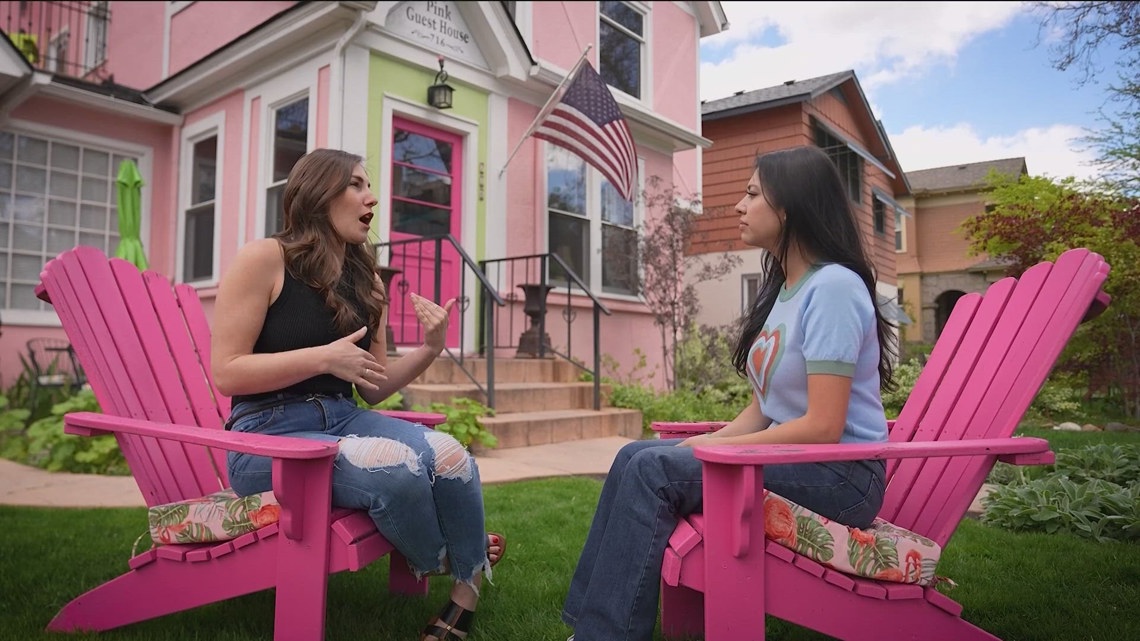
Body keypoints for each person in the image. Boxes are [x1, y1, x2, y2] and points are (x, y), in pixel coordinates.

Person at [561, 145, 898, 641]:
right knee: (634, 454)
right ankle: (586, 626)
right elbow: (764, 410)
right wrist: (711, 440)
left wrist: (718, 450)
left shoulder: (833, 288)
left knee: (654, 472)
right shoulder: (789, 290)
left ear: (790, 206)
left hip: (842, 475)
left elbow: (824, 425)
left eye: (752, 193)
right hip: (803, 461)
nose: (739, 205)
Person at [211, 148, 504, 641]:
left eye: (368, 186)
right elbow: (227, 373)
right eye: (356, 184)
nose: (371, 197)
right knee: (395, 468)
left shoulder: (365, 278)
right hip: (268, 438)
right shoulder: (264, 258)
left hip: (345, 420)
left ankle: (464, 595)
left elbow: (373, 385)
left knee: (452, 455)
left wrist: (433, 347)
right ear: (317, 193)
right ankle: (459, 554)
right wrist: (322, 358)